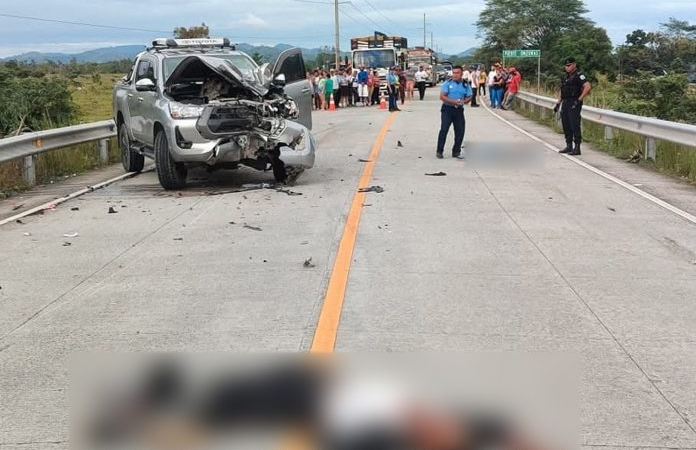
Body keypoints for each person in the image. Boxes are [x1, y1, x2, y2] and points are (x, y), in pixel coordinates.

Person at [554, 57, 591, 155]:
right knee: (566, 124)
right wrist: (558, 103)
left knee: (574, 124)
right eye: (566, 66)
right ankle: (569, 146)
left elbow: (587, 87)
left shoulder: (579, 75)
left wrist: (579, 100)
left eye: (569, 65)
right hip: (565, 102)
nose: (567, 67)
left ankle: (577, 147)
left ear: (574, 65)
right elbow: (562, 92)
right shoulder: (565, 77)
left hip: (574, 102)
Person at [436, 65, 472, 159]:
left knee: (460, 131)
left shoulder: (465, 84)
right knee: (444, 129)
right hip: (447, 109)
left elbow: (469, 95)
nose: (455, 75)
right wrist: (454, 101)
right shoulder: (447, 83)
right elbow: (442, 96)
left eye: (457, 73)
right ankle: (439, 151)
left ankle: (456, 151)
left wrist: (464, 101)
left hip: (459, 110)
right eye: (454, 73)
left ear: (462, 74)